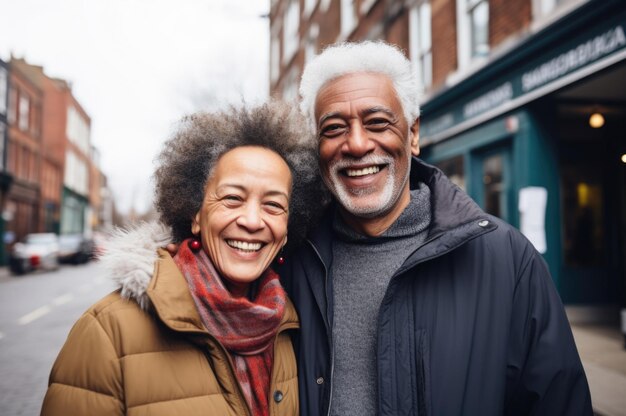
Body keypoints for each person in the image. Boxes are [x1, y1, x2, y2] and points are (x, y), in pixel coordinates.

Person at [282, 40, 593, 416]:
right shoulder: (289, 260)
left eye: (378, 122)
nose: (357, 144)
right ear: (317, 147)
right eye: (333, 129)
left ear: (413, 134)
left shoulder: (507, 259)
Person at [40, 101, 326, 416]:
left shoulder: (289, 329)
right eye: (232, 198)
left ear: (287, 229)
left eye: (273, 205)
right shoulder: (108, 332)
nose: (253, 220)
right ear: (195, 215)